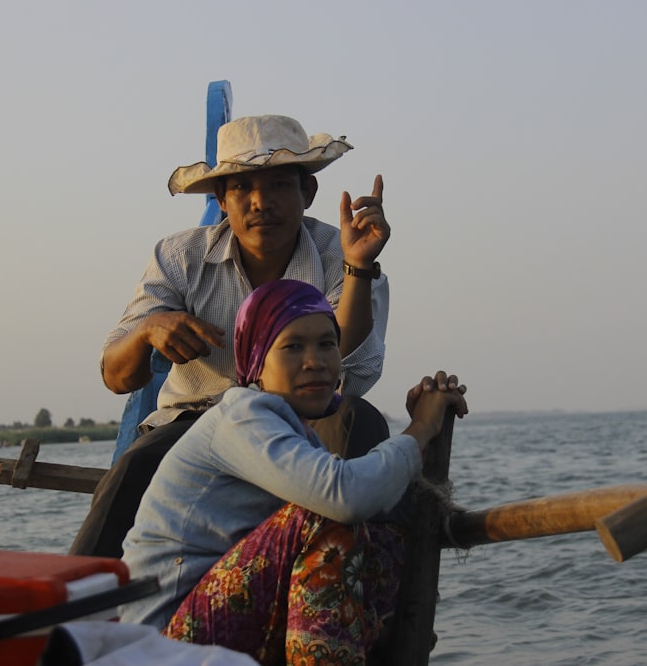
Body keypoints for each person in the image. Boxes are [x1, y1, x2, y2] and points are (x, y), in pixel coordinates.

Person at [71, 115, 392, 558]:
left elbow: (343, 355)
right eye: (242, 188)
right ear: (222, 199)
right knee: (134, 467)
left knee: (360, 422)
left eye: (280, 185)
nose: (261, 202)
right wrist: (148, 331)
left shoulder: (345, 252)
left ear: (308, 194)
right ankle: (81, 611)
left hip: (305, 420)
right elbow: (116, 376)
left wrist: (359, 266)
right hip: (198, 423)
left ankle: (357, 596)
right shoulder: (180, 256)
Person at [121, 280, 468, 665]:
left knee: (383, 541)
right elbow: (345, 497)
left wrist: (423, 433)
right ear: (256, 361)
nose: (315, 361)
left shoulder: (295, 433)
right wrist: (420, 429)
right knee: (329, 515)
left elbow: (365, 502)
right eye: (292, 347)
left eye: (326, 344)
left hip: (213, 633)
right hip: (163, 642)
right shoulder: (242, 416)